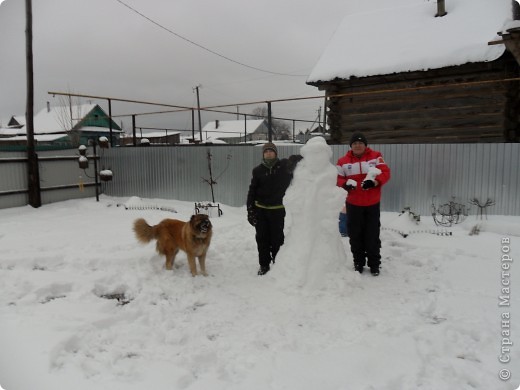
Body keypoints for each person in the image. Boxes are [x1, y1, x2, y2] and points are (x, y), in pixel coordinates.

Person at [336, 132, 390, 276]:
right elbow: (337, 178)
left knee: (372, 234)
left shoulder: (376, 156)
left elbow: (385, 173)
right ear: (351, 146)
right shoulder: (342, 161)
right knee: (355, 235)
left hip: (372, 204)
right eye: (354, 143)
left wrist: (374, 182)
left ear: (365, 145)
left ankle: (374, 264)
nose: (357, 145)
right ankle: (358, 262)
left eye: (360, 143)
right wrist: (345, 184)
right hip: (353, 204)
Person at [246, 142, 301, 276]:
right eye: (266, 151)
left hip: (277, 209)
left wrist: (295, 159)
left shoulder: (283, 167)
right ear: (263, 154)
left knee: (277, 238)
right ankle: (264, 265)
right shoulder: (258, 170)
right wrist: (250, 209)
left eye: (271, 151)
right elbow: (252, 191)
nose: (268, 153)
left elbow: (301, 160)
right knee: (262, 238)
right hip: (261, 210)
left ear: (275, 153)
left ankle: (278, 262)